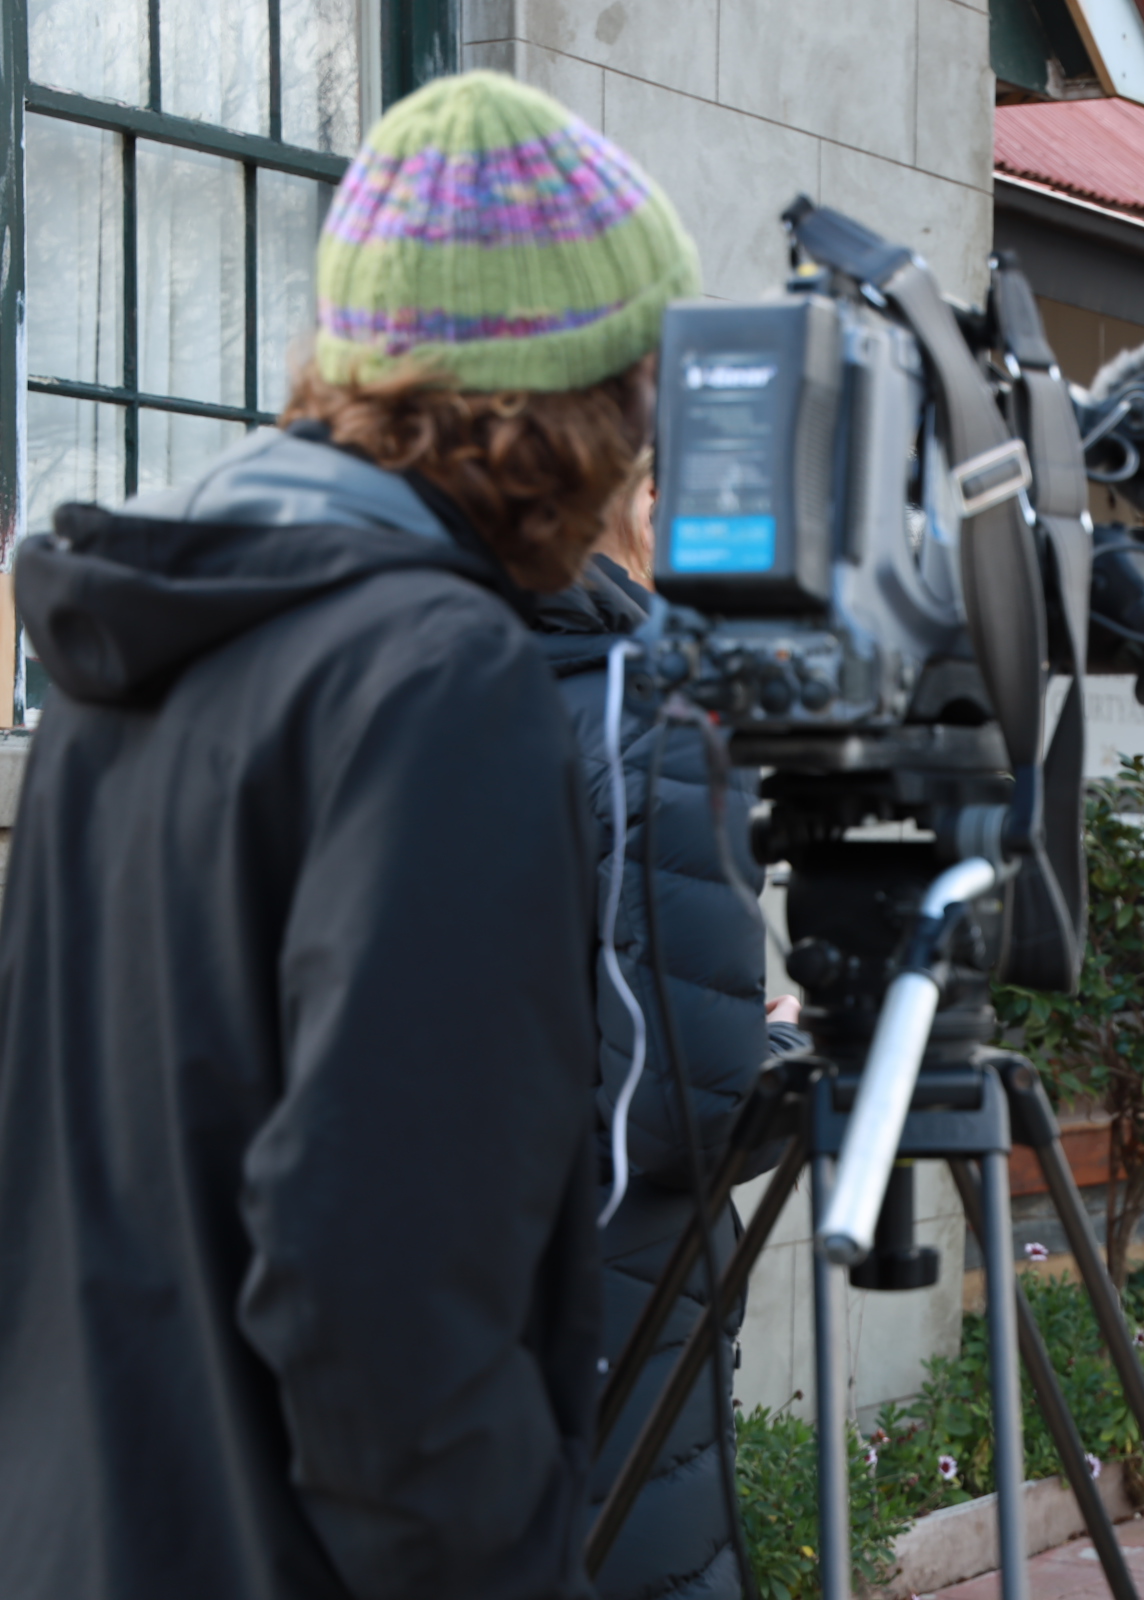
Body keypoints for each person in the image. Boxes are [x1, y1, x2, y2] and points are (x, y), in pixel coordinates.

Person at [0, 72, 701, 1600]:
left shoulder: (127, 655)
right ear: (581, 401)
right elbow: (381, 1284)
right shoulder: (438, 680)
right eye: (651, 381)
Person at [534, 457, 804, 1599]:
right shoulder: (643, 710)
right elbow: (684, 1118)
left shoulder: (399, 665)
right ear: (645, 500)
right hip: (614, 1306)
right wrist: (801, 1045)